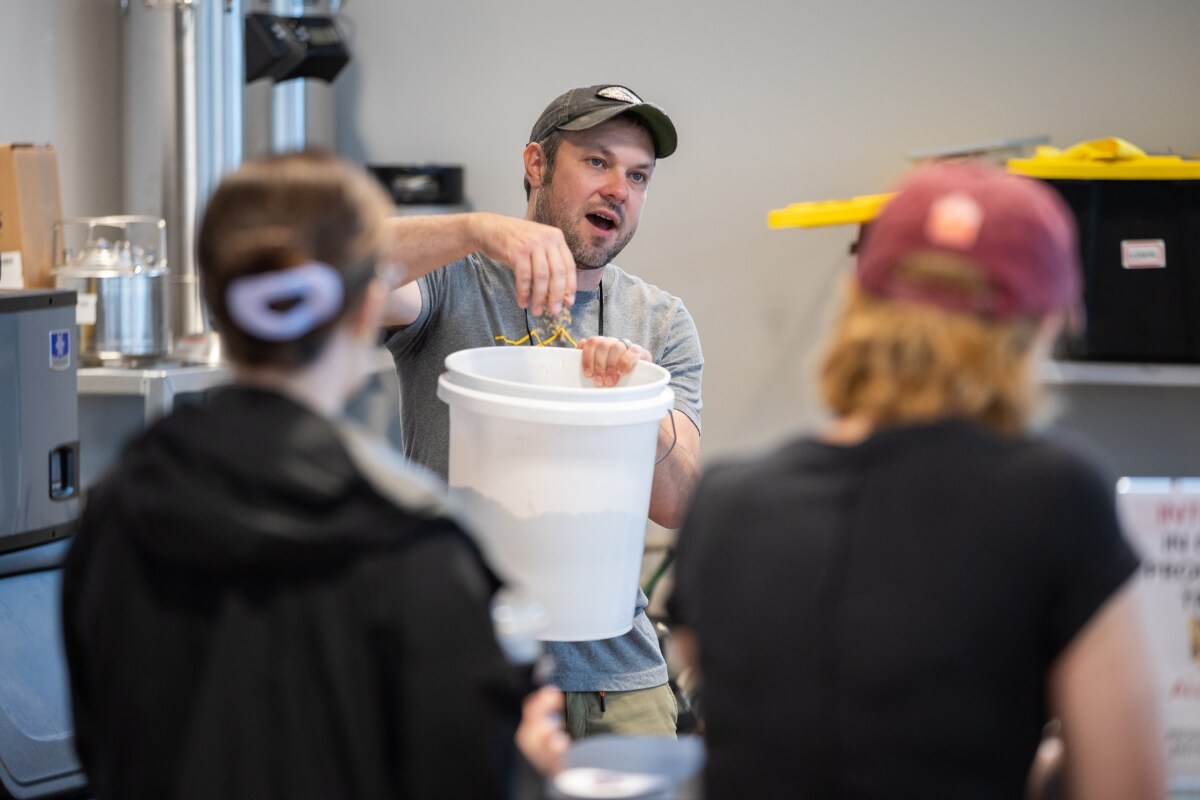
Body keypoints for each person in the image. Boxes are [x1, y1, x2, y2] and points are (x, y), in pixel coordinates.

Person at [61, 151, 569, 800]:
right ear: (365, 310)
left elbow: (101, 740)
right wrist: (523, 760)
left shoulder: (116, 512)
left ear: (218, 299)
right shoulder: (415, 547)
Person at [667, 161, 1166, 799]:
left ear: (856, 308)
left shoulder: (726, 503)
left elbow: (764, 743)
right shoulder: (1057, 497)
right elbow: (1125, 786)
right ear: (1040, 327)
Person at [381, 84, 703, 739]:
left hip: (616, 679)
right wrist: (470, 228)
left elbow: (680, 504)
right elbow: (322, 264)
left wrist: (639, 399)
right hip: (463, 666)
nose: (619, 188)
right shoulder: (451, 282)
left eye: (637, 175)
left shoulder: (662, 320)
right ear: (536, 165)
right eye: (597, 162)